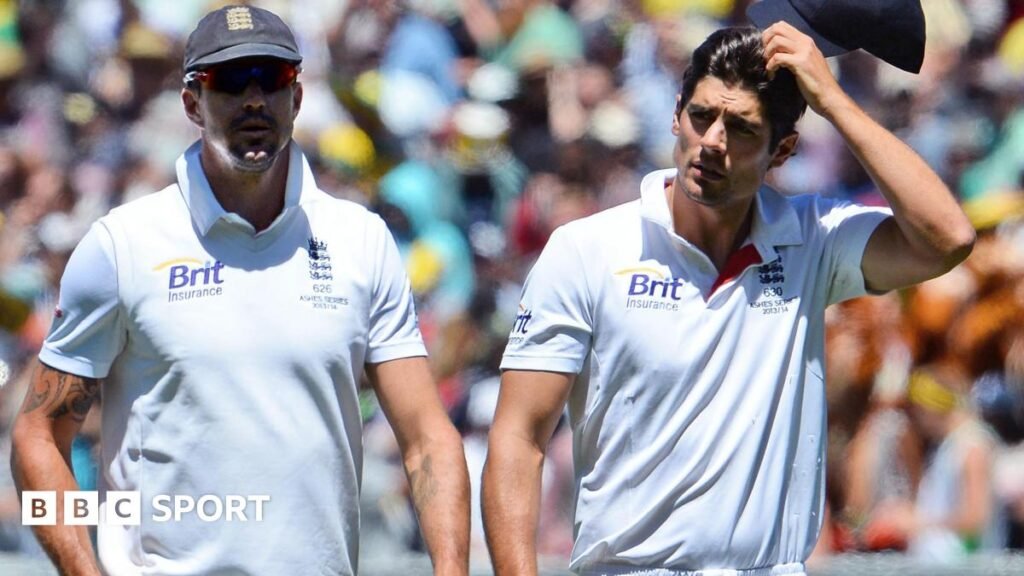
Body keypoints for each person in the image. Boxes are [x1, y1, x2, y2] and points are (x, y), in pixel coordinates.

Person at [482, 23, 976, 576]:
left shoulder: (814, 239)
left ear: (782, 150)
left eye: (741, 128)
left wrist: (834, 102)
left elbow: (948, 238)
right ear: (676, 115)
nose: (713, 141)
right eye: (701, 116)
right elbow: (518, 439)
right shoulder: (586, 249)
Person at [10, 6, 469, 576]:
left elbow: (428, 438)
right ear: (191, 103)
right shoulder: (122, 245)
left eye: (271, 78)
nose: (254, 99)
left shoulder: (362, 240)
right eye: (229, 80)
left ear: (296, 97)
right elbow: (37, 436)